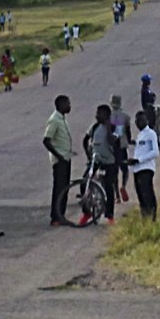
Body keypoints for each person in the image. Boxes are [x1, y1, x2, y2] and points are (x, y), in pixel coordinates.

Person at [81, 104, 123, 225]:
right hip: (96, 160)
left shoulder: (115, 127)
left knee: (108, 187)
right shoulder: (94, 127)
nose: (96, 116)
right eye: (96, 113)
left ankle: (109, 216)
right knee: (85, 182)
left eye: (99, 113)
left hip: (109, 162)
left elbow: (112, 141)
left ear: (107, 116)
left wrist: (109, 127)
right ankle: (87, 212)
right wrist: (89, 156)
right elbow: (85, 140)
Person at [43, 95, 74, 226]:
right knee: (59, 188)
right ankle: (55, 217)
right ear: (60, 105)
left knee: (64, 188)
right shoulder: (54, 120)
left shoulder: (61, 118)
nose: (69, 106)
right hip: (60, 160)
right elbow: (46, 140)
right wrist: (58, 155)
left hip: (66, 158)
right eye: (67, 104)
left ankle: (61, 215)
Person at [130, 110, 160, 220]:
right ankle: (145, 218)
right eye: (137, 121)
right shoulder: (139, 135)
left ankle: (152, 217)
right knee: (141, 195)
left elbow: (155, 152)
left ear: (146, 121)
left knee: (147, 193)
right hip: (137, 169)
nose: (139, 123)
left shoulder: (151, 134)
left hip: (146, 168)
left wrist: (139, 160)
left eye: (141, 120)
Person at [109, 95, 133, 195]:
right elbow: (128, 131)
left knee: (114, 171)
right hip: (122, 146)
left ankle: (116, 194)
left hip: (112, 147)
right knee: (124, 169)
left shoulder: (109, 116)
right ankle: (123, 186)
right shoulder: (125, 116)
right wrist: (129, 140)